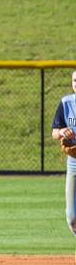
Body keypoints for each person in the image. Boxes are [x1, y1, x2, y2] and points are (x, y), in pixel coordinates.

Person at [51, 70, 76, 237]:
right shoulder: (66, 103)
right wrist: (62, 132)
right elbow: (54, 132)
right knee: (71, 217)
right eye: (75, 80)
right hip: (73, 164)